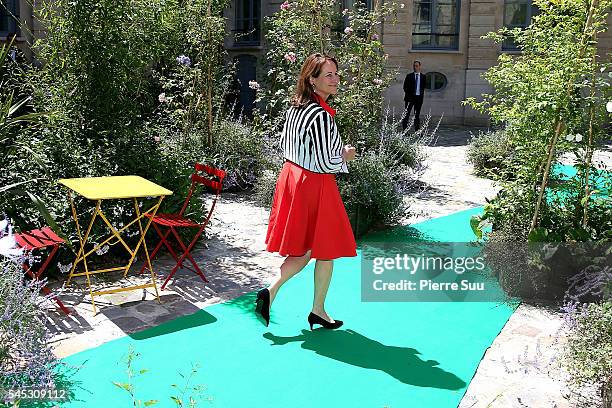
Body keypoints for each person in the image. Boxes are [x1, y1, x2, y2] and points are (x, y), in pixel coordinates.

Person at [255, 53, 357, 330]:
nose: (335, 79)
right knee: (323, 249)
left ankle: (273, 292)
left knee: (310, 248)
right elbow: (326, 161)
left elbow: (287, 145)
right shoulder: (321, 114)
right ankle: (317, 309)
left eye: (336, 74)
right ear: (312, 80)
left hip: (292, 177)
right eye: (328, 75)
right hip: (315, 183)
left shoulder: (295, 108)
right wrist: (345, 156)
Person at [402, 60, 426, 131]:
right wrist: (409, 95)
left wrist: (420, 95)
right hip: (410, 98)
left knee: (417, 115)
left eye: (416, 66)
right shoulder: (409, 76)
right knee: (407, 114)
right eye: (414, 66)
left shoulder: (423, 77)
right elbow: (405, 87)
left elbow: (423, 87)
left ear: (419, 66)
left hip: (419, 98)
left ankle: (417, 130)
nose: (415, 67)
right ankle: (405, 130)